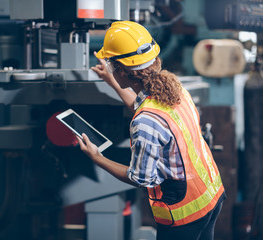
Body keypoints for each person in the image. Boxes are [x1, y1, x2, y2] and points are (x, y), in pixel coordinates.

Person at [76, 21, 226, 240]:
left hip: (184, 214)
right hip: (211, 195)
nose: (109, 69)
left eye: (111, 66)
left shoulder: (144, 122)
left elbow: (140, 178)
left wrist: (97, 158)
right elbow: (144, 108)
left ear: (124, 73)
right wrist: (112, 81)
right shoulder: (175, 88)